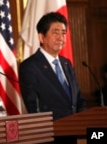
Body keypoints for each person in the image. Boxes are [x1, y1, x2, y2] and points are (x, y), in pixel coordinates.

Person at [18, 12, 86, 144]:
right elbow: (34, 106)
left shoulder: (66, 63)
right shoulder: (30, 66)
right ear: (41, 37)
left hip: (75, 133)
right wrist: (65, 124)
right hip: (50, 136)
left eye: (63, 33)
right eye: (55, 33)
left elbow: (78, 98)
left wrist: (81, 121)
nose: (61, 38)